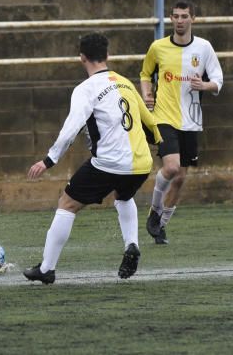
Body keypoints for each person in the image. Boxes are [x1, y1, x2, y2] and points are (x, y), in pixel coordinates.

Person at [24, 33, 161, 285]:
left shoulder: (85, 90)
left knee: (67, 203)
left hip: (108, 163)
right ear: (107, 56)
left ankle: (46, 269)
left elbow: (70, 129)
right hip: (141, 163)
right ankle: (131, 244)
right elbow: (149, 121)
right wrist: (159, 143)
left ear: (81, 58)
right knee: (124, 195)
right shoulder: (125, 83)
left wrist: (48, 161)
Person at [140, 0, 223, 245]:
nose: (179, 20)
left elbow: (218, 80)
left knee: (179, 179)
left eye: (184, 16)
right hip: (164, 117)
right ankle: (155, 210)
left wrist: (204, 85)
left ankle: (161, 227)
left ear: (193, 19)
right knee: (172, 167)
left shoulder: (204, 48)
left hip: (191, 121)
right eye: (175, 16)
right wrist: (146, 94)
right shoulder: (158, 47)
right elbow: (145, 73)